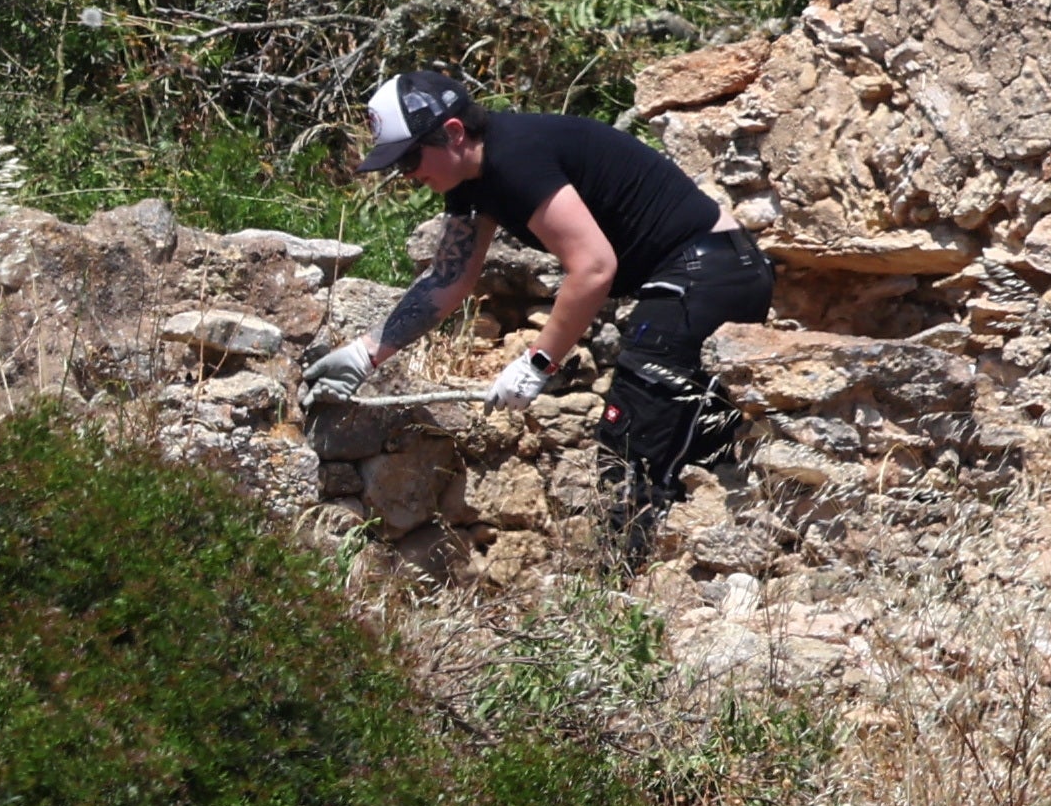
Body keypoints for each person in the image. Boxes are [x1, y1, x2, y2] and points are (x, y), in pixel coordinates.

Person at [303, 68, 772, 547]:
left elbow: (592, 267)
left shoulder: (516, 157)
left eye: (410, 158)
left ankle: (632, 593)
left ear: (453, 132)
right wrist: (364, 355)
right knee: (677, 445)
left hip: (710, 276)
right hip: (698, 278)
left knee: (632, 450)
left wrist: (536, 362)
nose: (408, 174)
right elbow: (449, 279)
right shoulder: (471, 180)